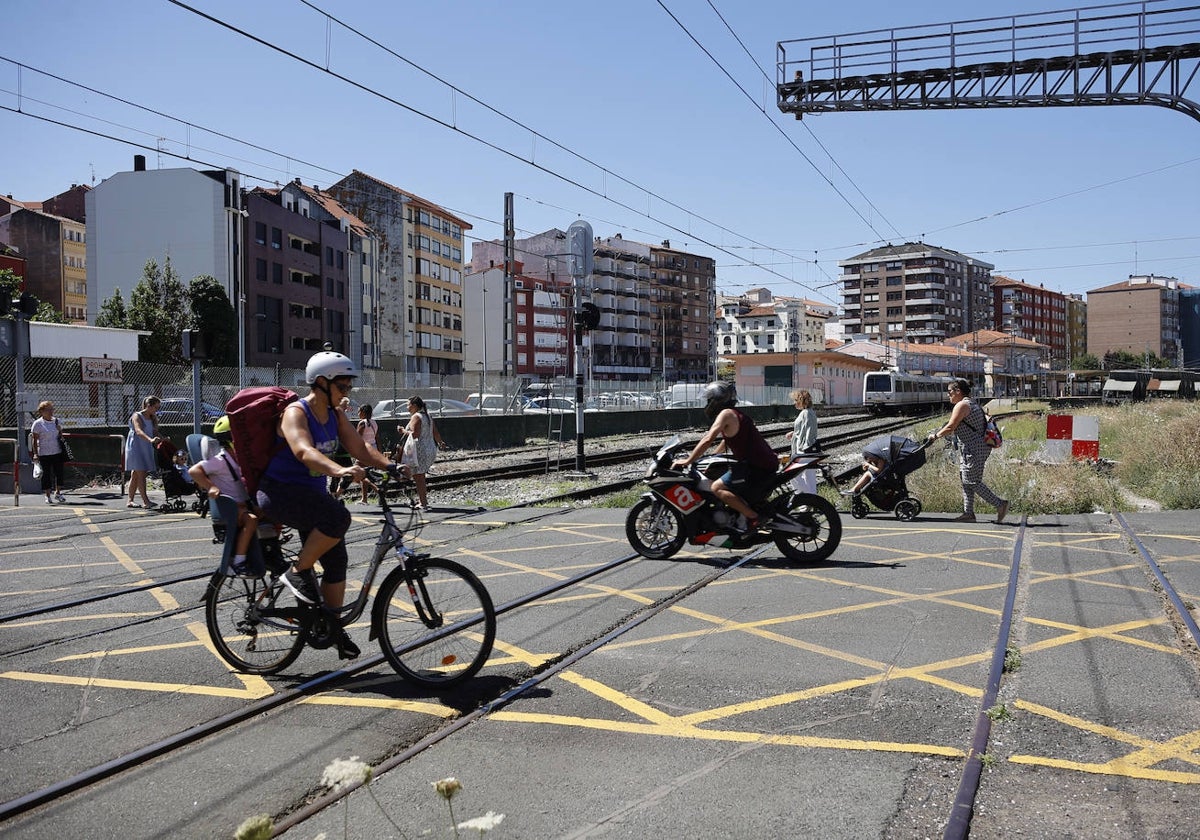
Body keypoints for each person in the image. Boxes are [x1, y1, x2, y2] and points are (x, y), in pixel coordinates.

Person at [254, 351, 395, 660]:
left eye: (348, 389)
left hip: (310, 498)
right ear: (321, 383)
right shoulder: (296, 413)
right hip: (280, 494)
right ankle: (297, 571)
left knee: (336, 561)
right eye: (342, 388)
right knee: (338, 517)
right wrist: (339, 469)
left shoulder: (334, 415)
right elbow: (303, 450)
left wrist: (391, 466)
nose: (346, 394)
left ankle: (330, 626)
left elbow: (360, 448)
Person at [671, 382, 778, 533]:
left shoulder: (726, 414)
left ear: (717, 400)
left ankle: (753, 517)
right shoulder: (735, 413)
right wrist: (713, 455)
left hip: (756, 466)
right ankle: (739, 516)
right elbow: (726, 439)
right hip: (761, 463)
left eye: (709, 400)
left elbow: (708, 438)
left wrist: (689, 460)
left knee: (716, 487)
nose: (708, 403)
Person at [926, 378, 1010, 524]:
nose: (948, 395)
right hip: (973, 447)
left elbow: (951, 427)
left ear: (958, 391)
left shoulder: (962, 405)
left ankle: (1000, 504)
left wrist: (936, 436)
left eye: (950, 392)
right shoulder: (970, 403)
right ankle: (968, 513)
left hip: (974, 448)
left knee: (971, 480)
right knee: (966, 481)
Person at [188, 418, 258, 576]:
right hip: (231, 509)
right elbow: (194, 471)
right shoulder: (220, 460)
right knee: (251, 520)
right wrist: (211, 487)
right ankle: (238, 562)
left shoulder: (236, 459)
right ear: (232, 441)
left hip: (241, 504)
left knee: (268, 512)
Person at [399, 395, 447, 511]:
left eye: (408, 404)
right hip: (430, 449)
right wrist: (440, 442)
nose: (407, 407)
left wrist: (402, 431)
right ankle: (422, 501)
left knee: (418, 477)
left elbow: (414, 434)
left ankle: (423, 503)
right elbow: (435, 432)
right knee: (420, 476)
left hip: (419, 451)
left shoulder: (416, 416)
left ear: (414, 406)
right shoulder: (428, 416)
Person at [124, 395, 162, 509]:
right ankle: (146, 501)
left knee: (135, 474)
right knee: (141, 473)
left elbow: (155, 432)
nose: (157, 410)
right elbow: (138, 431)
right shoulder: (137, 416)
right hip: (136, 447)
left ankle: (130, 500)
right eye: (156, 407)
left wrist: (163, 439)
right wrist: (150, 440)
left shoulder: (152, 418)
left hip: (145, 447)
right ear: (148, 406)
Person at [29, 400, 68, 505]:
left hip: (57, 451)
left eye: (52, 409)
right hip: (44, 453)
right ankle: (47, 495)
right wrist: (35, 454)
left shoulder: (56, 421)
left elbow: (60, 435)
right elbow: (34, 440)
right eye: (48, 410)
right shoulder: (37, 424)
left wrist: (60, 431)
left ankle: (58, 493)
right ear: (42, 411)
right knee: (46, 475)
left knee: (59, 473)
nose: (51, 412)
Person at [785, 389, 819, 494]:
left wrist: (804, 449)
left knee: (791, 474)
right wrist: (794, 433)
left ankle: (808, 497)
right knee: (810, 478)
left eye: (796, 400)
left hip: (804, 451)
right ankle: (811, 501)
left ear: (801, 400)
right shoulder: (808, 412)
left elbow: (810, 431)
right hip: (808, 451)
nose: (794, 403)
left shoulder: (806, 413)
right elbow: (805, 429)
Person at [354, 403, 380, 503]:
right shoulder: (374, 423)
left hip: (364, 451)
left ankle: (377, 490)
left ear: (363, 412)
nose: (358, 413)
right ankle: (364, 498)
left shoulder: (362, 423)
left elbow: (357, 438)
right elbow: (377, 438)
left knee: (357, 473)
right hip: (373, 450)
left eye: (359, 411)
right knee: (365, 473)